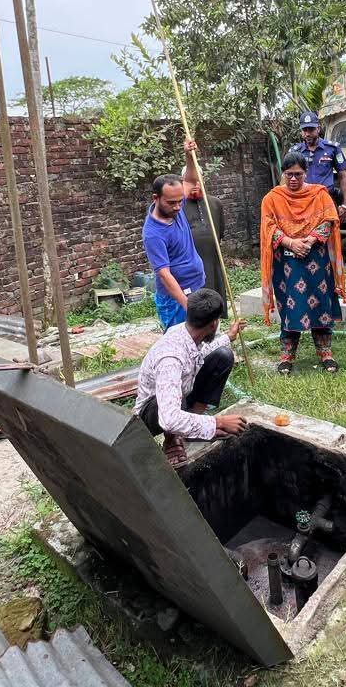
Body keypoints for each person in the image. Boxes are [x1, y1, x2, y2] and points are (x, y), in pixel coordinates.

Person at [133, 289, 249, 466]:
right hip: (153, 413)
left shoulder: (185, 331)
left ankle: (191, 429)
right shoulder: (170, 359)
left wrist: (228, 336)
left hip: (182, 398)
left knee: (223, 356)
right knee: (174, 394)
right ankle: (173, 438)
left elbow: (201, 351)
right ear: (214, 324)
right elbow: (169, 418)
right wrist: (218, 422)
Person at [260, 151, 346, 375]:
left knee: (320, 303)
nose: (293, 179)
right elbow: (269, 228)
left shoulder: (320, 194)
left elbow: (329, 221)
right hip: (287, 265)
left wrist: (307, 241)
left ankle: (326, 353)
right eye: (289, 174)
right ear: (283, 174)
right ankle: (287, 357)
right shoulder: (272, 198)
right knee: (291, 306)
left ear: (305, 173)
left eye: (298, 174)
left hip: (316, 261)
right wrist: (290, 243)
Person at [142, 174, 205, 330]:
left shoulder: (175, 206)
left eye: (180, 201)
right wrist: (187, 306)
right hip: (176, 300)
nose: (177, 207)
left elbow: (190, 180)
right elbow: (164, 274)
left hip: (197, 286)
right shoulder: (153, 233)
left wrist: (188, 154)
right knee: (181, 344)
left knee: (203, 341)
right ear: (156, 198)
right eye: (171, 203)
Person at [181, 138, 227, 301]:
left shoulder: (214, 203)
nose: (195, 185)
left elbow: (220, 233)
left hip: (212, 260)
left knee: (214, 299)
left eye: (198, 181)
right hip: (191, 264)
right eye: (191, 181)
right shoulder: (179, 206)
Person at [289, 111, 346, 206]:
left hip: (327, 201)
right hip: (304, 203)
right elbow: (287, 178)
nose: (307, 134)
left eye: (311, 130)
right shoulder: (295, 152)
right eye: (305, 130)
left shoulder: (332, 148)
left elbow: (343, 175)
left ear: (318, 129)